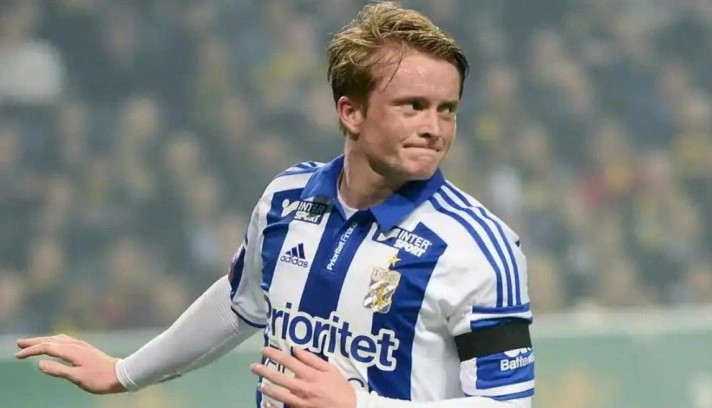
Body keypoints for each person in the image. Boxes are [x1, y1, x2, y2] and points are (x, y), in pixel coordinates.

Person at [16, 2, 534, 407]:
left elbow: (508, 404)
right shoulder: (288, 198)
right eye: (413, 106)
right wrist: (124, 372)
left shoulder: (477, 248)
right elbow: (238, 303)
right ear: (350, 112)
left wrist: (358, 405)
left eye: (447, 110)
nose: (434, 128)